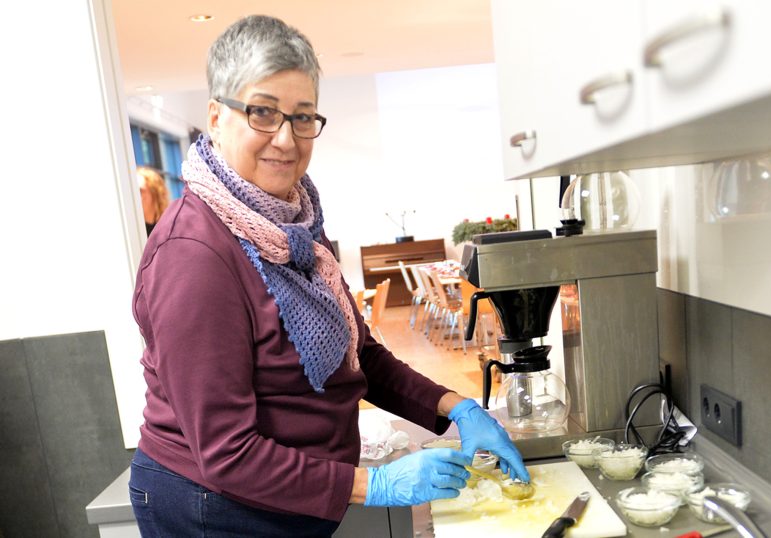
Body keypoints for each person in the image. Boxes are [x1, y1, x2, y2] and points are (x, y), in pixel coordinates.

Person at [128, 15, 529, 537]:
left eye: (302, 117)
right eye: (263, 113)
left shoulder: (295, 230)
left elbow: (362, 359)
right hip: (216, 509)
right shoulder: (196, 254)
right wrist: (373, 485)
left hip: (288, 497)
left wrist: (459, 408)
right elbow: (226, 453)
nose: (286, 139)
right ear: (216, 117)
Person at [136, 166, 169, 236]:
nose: (135, 196)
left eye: (140, 191)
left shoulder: (170, 229)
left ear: (156, 194)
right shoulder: (130, 230)